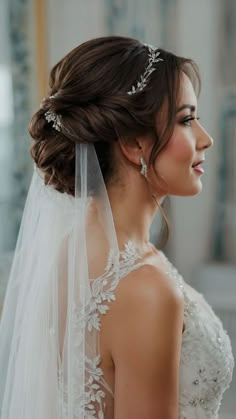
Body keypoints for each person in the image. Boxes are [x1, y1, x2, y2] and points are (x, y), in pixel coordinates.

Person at [0, 36, 234, 419]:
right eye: (187, 120)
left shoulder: (72, 250)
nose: (205, 139)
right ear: (134, 144)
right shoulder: (146, 289)